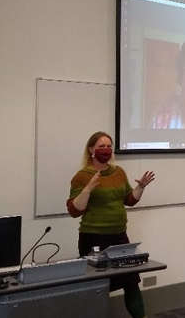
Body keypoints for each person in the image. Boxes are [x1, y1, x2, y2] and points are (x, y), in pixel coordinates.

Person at [67, 131, 155, 318]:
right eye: (101, 146)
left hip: (119, 236)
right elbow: (75, 210)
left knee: (131, 281)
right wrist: (89, 188)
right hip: (93, 238)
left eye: (109, 146)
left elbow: (129, 200)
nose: (106, 150)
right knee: (96, 285)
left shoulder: (118, 172)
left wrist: (141, 187)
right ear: (91, 149)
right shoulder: (82, 176)